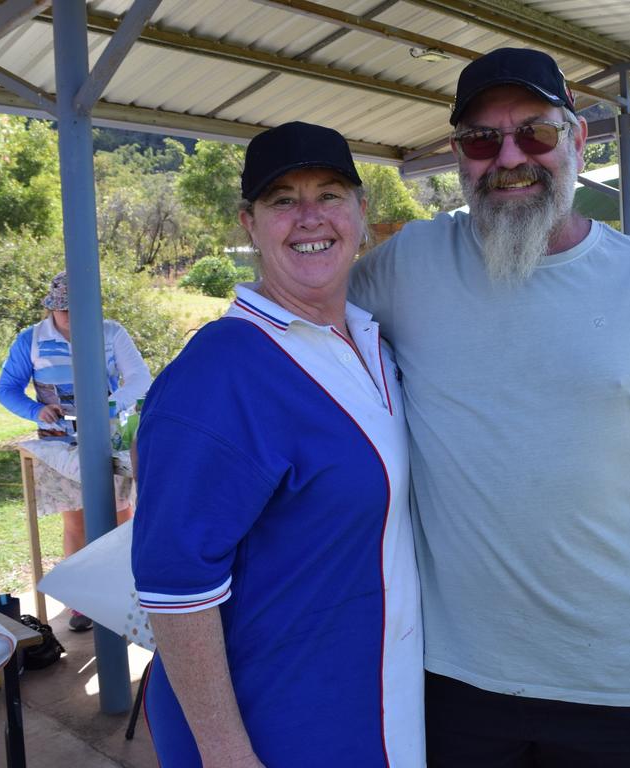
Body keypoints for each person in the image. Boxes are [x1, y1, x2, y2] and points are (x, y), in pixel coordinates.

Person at [350, 48, 630, 767]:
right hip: (452, 682)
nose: (509, 157)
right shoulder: (405, 267)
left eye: (535, 134)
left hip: (622, 687)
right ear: (460, 156)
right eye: (483, 140)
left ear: (578, 141)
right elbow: (296, 324)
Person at [131, 122, 424, 767]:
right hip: (277, 726)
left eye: (329, 194)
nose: (309, 217)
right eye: (282, 200)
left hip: (370, 701)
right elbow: (175, 590)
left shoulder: (373, 342)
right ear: (249, 223)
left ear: (362, 212)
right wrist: (228, 755)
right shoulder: (216, 374)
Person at [0, 270, 152, 631]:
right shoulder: (30, 340)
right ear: (51, 309)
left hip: (110, 437)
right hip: (59, 443)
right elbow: (7, 389)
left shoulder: (111, 332)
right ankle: (83, 602)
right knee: (76, 518)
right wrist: (37, 411)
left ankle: (124, 596)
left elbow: (140, 379)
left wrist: (110, 407)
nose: (73, 317)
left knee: (120, 515)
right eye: (65, 310)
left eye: (80, 309)